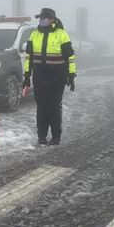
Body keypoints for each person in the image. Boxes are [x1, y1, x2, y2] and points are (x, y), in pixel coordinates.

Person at [22, 8, 76, 145]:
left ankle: (56, 137)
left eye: (47, 17)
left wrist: (71, 74)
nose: (44, 20)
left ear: (53, 19)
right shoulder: (34, 35)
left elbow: (70, 56)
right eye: (42, 18)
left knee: (54, 107)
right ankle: (41, 136)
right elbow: (28, 57)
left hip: (57, 78)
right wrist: (27, 76)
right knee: (41, 108)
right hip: (39, 77)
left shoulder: (61, 34)